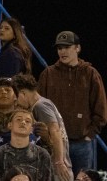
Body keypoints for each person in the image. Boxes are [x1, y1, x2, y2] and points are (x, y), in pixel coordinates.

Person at [38, 30, 107, 172]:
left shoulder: (90, 74)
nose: (62, 51)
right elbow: (38, 105)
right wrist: (45, 133)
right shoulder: (48, 74)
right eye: (59, 48)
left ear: (77, 48)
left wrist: (90, 134)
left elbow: (100, 106)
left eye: (67, 47)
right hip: (53, 143)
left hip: (82, 143)